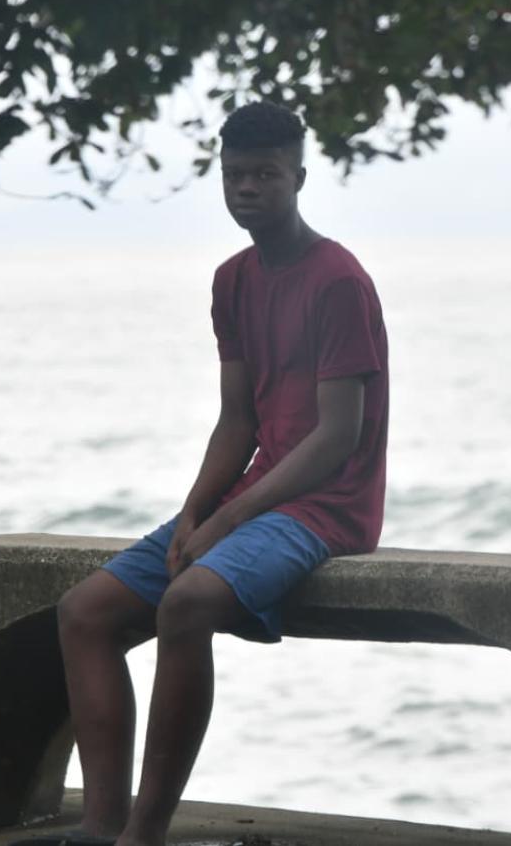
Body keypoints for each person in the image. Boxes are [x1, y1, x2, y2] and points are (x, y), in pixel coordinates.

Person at [39, 101, 389, 846]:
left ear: (299, 177)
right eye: (235, 176)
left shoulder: (338, 282)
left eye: (266, 175)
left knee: (188, 603)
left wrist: (228, 522)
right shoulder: (232, 280)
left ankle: (146, 833)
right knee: (85, 613)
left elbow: (337, 438)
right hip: (255, 496)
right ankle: (102, 826)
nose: (248, 189)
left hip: (327, 508)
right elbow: (238, 421)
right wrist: (195, 512)